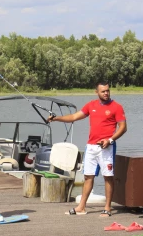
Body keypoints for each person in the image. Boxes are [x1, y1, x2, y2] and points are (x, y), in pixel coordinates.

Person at [48, 81, 127, 217]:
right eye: (103, 91)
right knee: (88, 176)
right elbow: (73, 117)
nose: (106, 93)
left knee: (108, 177)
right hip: (91, 146)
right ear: (97, 92)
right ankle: (81, 207)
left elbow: (123, 127)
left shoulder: (116, 107)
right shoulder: (91, 105)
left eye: (107, 90)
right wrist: (56, 118)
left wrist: (110, 140)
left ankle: (107, 208)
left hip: (106, 147)